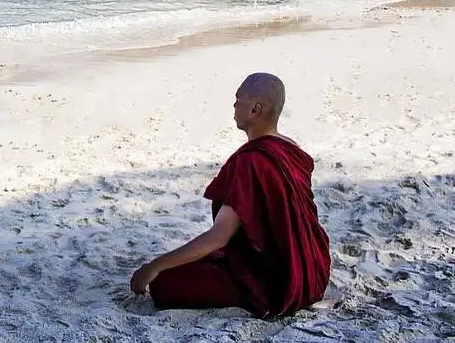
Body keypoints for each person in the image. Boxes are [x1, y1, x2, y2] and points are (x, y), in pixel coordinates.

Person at [129, 73, 332, 318]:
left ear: (256, 109)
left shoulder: (251, 161)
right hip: (312, 271)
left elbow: (219, 237)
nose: (234, 105)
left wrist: (153, 267)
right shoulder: (290, 147)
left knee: (163, 283)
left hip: (274, 283)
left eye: (239, 99)